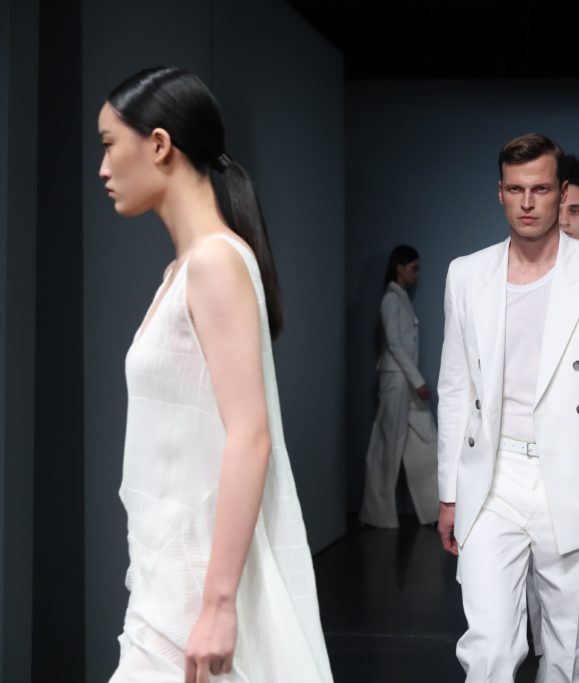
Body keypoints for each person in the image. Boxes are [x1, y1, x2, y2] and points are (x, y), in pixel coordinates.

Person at [98, 67, 333, 683]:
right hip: (169, 574)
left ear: (158, 144)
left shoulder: (213, 263)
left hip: (191, 584)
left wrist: (219, 604)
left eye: (109, 145)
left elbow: (249, 435)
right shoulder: (186, 270)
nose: (103, 168)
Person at [436, 133, 579, 682]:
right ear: (500, 192)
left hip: (575, 476)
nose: (527, 203)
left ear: (561, 194)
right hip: (492, 477)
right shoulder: (466, 274)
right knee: (487, 645)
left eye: (540, 189)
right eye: (516, 189)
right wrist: (448, 491)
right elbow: (455, 385)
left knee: (569, 650)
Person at [360, 245, 440, 527]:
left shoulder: (401, 298)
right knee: (386, 448)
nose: (417, 274)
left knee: (426, 441)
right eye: (413, 268)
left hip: (406, 380)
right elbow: (393, 344)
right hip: (395, 381)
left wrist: (415, 381)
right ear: (399, 267)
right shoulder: (391, 299)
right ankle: (376, 516)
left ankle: (436, 511)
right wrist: (418, 381)